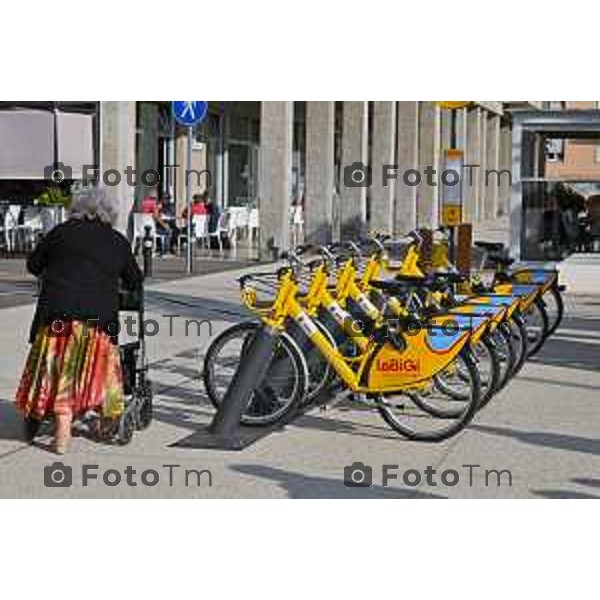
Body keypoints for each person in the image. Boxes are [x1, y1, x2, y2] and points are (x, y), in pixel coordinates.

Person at [15, 186, 143, 454]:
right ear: (109, 214)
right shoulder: (117, 240)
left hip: (58, 320)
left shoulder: (60, 232)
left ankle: (62, 425)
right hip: (98, 323)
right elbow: (135, 279)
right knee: (103, 366)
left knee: (57, 369)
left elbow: (33, 265)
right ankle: (103, 417)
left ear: (78, 210)